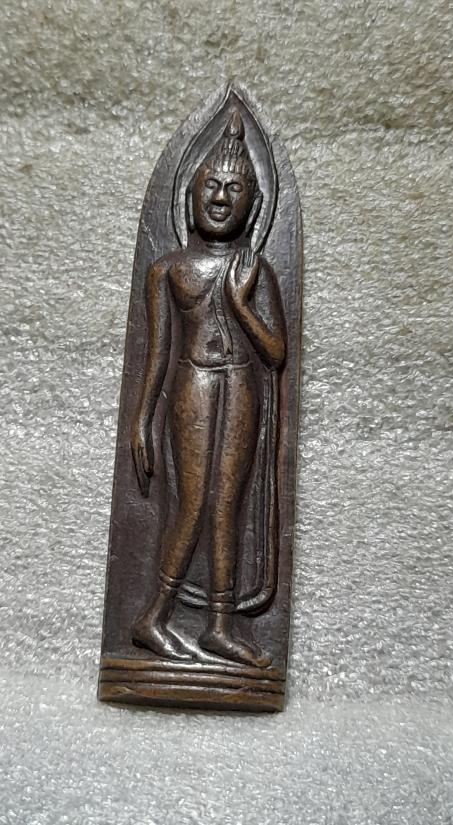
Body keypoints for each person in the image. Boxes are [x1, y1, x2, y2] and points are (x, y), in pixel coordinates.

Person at [131, 111, 286, 667]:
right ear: (191, 195)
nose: (221, 198)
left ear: (253, 206)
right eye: (211, 186)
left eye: (234, 189)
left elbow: (276, 353)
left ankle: (220, 627)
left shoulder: (256, 271)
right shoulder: (168, 270)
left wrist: (241, 303)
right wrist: (142, 420)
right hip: (193, 383)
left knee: (228, 506)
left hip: (241, 385)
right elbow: (155, 354)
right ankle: (152, 617)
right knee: (191, 501)